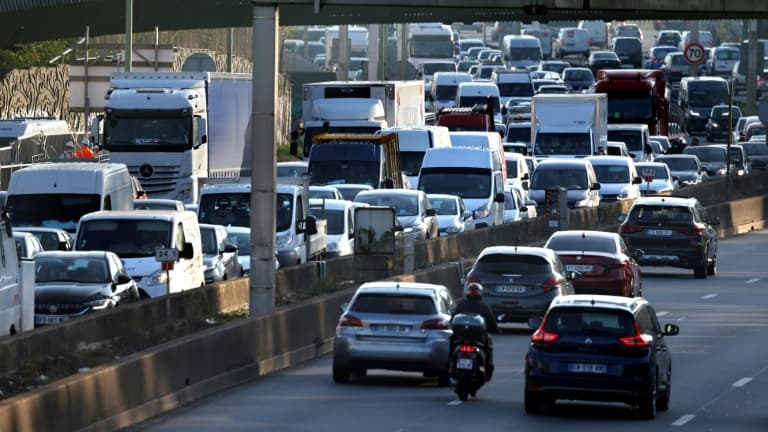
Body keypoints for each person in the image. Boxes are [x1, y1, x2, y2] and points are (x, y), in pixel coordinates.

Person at [452, 282, 498, 380]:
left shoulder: (461, 305)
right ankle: (488, 368)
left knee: (451, 343)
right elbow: (492, 322)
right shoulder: (484, 307)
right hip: (474, 339)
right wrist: (496, 329)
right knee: (488, 347)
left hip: (464, 338)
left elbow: (452, 320)